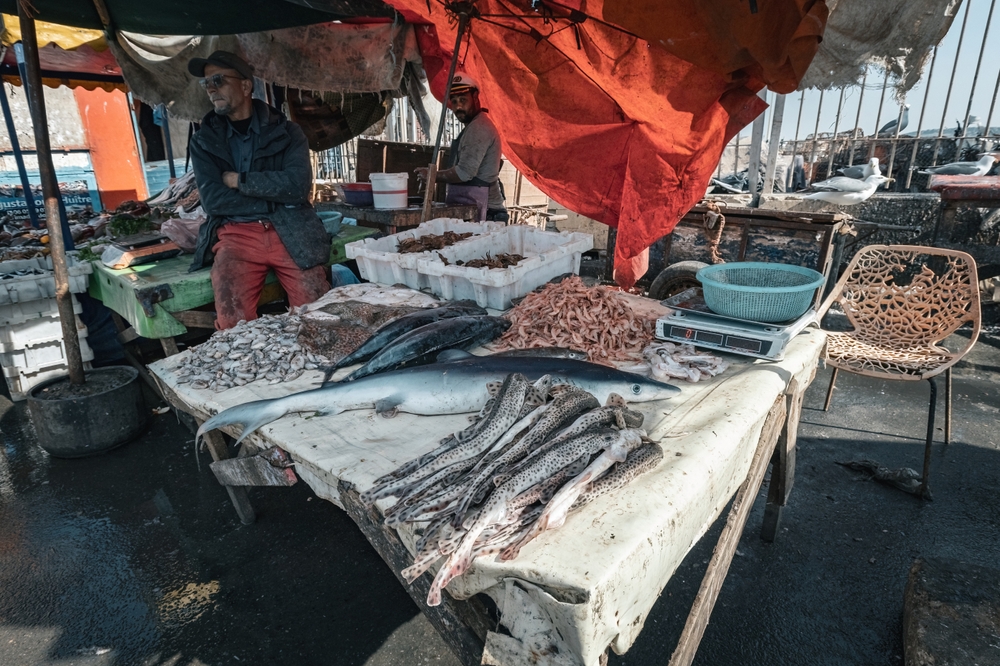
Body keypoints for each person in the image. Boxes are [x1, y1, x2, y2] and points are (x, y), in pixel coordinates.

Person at [186, 50, 331, 329]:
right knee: (232, 323)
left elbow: (297, 187)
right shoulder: (204, 140)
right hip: (237, 236)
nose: (211, 89)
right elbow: (215, 202)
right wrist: (271, 196)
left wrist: (239, 181)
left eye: (218, 80)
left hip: (290, 229)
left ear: (245, 85)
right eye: (207, 84)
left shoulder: (288, 132)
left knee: (318, 317)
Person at [417, 73, 507, 222]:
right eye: (454, 101)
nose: (458, 106)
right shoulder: (472, 127)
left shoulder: (479, 128)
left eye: (463, 100)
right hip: (475, 207)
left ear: (475, 97)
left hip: (488, 213)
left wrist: (432, 175)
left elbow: (464, 173)